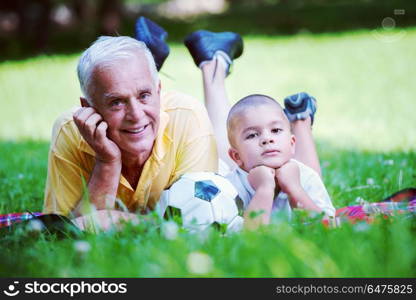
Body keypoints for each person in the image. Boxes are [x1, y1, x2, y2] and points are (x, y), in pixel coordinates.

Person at [43, 27, 219, 227]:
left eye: (144, 95)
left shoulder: (187, 116)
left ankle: (214, 62)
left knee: (226, 140)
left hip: (224, 161)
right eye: (116, 102)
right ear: (88, 107)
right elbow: (67, 232)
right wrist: (106, 162)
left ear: (159, 92)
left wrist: (117, 220)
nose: (135, 115)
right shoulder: (70, 130)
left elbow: (197, 223)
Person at [183, 29, 336, 229]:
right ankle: (301, 117)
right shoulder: (230, 187)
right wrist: (264, 189)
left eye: (275, 131)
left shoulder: (305, 177)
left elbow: (327, 228)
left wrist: (294, 188)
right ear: (236, 158)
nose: (267, 139)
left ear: (292, 144)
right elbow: (251, 238)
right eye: (253, 135)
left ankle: (300, 119)